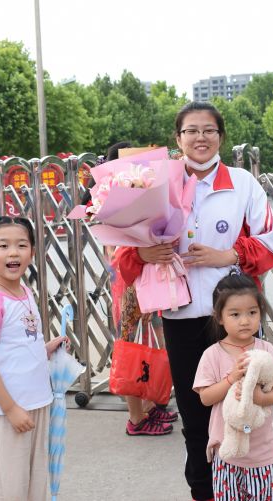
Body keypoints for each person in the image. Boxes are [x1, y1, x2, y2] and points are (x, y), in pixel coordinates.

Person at [116, 101, 273, 501]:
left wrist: (228, 256)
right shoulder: (153, 184)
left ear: (220, 136)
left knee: (245, 407)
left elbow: (271, 241)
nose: (200, 137)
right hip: (182, 317)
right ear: (178, 139)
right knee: (195, 413)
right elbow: (124, 255)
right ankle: (205, 492)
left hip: (234, 318)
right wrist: (143, 254)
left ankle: (249, 488)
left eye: (208, 130)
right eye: (191, 130)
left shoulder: (242, 183)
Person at [0, 216, 68, 501]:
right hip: (10, 409)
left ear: (32, 252)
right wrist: (11, 409)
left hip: (37, 403)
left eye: (21, 245)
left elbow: (20, 343)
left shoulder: (25, 292)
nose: (13, 252)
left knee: (35, 486)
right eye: (3, 245)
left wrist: (47, 348)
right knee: (12, 489)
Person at [104, 141, 179, 436]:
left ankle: (149, 405)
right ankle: (136, 417)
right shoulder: (112, 204)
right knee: (132, 347)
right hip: (129, 285)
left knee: (151, 345)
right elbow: (114, 254)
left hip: (148, 281)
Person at [193, 273, 273, 501]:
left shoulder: (265, 350)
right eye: (235, 314)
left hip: (263, 452)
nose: (245, 321)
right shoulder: (212, 355)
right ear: (219, 317)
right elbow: (205, 398)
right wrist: (230, 378)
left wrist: (259, 397)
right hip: (226, 453)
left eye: (252, 313)